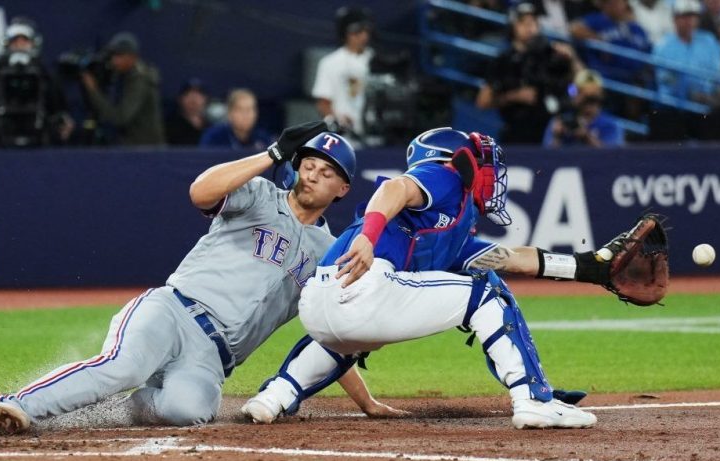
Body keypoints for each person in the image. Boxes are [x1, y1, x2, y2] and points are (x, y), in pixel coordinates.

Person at [0, 122, 404, 435]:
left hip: (212, 358)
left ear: (343, 190)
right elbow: (200, 191)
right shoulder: (258, 194)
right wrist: (269, 155)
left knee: (186, 410)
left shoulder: (325, 251)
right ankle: (16, 405)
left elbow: (326, 331)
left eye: (328, 172)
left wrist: (364, 401)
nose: (313, 173)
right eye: (310, 162)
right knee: (125, 365)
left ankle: (102, 410)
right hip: (174, 310)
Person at [242, 127, 605, 429]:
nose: (489, 173)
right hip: (367, 283)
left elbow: (513, 258)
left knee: (343, 340)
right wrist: (369, 236)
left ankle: (275, 396)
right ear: (454, 158)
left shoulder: (450, 229)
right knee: (487, 293)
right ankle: (533, 398)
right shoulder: (445, 176)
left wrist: (587, 267)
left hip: (323, 302)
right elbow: (393, 189)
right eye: (482, 163)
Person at [476, 3, 582, 144]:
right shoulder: (504, 60)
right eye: (523, 23)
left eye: (534, 22)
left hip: (550, 132)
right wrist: (514, 96)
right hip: (516, 133)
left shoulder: (550, 54)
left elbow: (582, 84)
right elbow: (482, 101)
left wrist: (572, 58)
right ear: (513, 27)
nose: (530, 27)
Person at [0, 16, 73, 147]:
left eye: (24, 41)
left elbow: (61, 111)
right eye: (15, 41)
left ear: (34, 44)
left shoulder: (47, 79)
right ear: (7, 44)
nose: (19, 46)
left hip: (40, 143)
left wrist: (62, 125)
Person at [81, 32, 165, 145]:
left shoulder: (139, 80)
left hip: (145, 149)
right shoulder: (125, 76)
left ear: (132, 57)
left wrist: (93, 91)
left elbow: (120, 117)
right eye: (113, 56)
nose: (114, 61)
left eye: (118, 56)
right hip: (137, 147)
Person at [312, 6, 374, 138]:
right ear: (345, 33)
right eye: (357, 31)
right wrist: (338, 121)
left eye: (365, 30)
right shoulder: (330, 62)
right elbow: (323, 103)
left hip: (376, 135)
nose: (363, 36)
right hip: (343, 137)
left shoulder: (376, 60)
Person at [654, 0, 720, 104]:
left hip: (708, 100)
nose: (690, 21)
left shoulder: (707, 40)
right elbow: (665, 80)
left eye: (693, 16)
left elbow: (717, 72)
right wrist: (689, 91)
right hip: (675, 103)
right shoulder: (663, 45)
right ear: (675, 19)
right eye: (684, 16)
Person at [569, 0, 652, 84]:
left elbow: (648, 52)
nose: (616, 6)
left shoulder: (636, 28)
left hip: (634, 79)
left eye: (620, 2)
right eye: (611, 3)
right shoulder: (597, 20)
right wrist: (599, 40)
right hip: (605, 78)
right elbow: (574, 29)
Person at [543, 69, 625, 147]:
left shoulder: (611, 126)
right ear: (575, 95)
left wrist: (586, 137)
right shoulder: (560, 122)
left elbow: (614, 157)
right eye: (584, 94)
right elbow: (545, 157)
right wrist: (557, 138)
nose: (589, 101)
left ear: (601, 96)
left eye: (593, 97)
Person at [198, 89, 271, 149]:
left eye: (249, 109)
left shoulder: (264, 139)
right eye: (240, 109)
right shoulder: (213, 138)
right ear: (230, 113)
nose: (246, 115)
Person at [165, 78, 209, 146]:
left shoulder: (211, 127)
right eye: (188, 94)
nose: (193, 99)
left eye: (198, 95)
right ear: (180, 99)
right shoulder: (169, 126)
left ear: (205, 99)